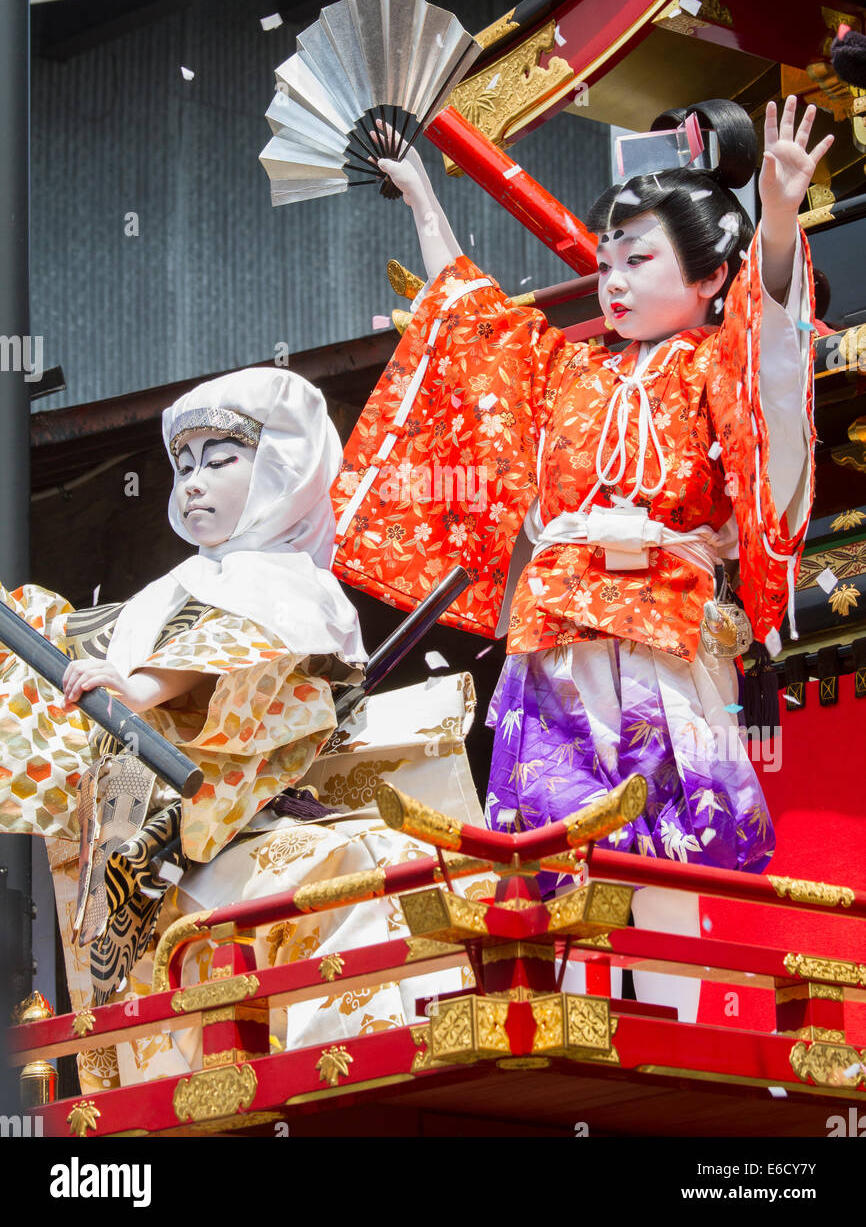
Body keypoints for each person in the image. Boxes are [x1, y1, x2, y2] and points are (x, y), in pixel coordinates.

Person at [331, 97, 832, 1017]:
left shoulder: (709, 364)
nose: (614, 281)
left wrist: (780, 219)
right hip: (558, 629)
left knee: (675, 841)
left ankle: (684, 1025)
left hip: (665, 637)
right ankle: (568, 1020)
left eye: (640, 259)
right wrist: (421, 203)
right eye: (608, 261)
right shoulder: (566, 370)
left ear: (711, 275)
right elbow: (479, 324)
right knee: (556, 842)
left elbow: (773, 355)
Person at [0, 366, 483, 1088]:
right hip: (173, 841)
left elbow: (219, 646)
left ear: (284, 470)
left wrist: (135, 685)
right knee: (362, 867)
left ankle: (358, 1065)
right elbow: (97, 642)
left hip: (229, 826)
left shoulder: (284, 580)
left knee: (377, 860)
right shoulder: (178, 587)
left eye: (220, 461)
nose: (193, 482)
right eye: (184, 466)